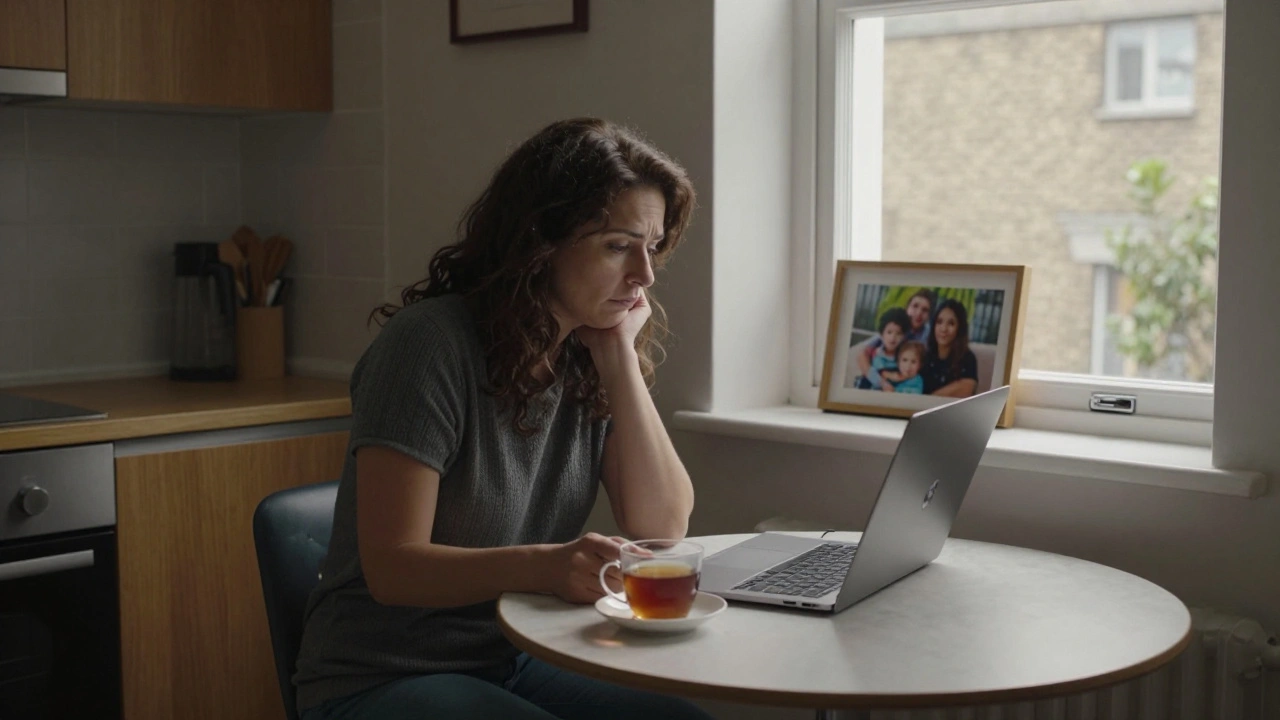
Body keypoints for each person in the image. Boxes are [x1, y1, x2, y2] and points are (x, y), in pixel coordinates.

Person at [292, 118, 713, 720]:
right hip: (377, 676)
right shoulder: (429, 346)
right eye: (619, 246)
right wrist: (542, 566)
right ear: (541, 241)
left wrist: (618, 354)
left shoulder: (587, 355)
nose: (644, 275)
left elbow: (663, 526)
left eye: (652, 247)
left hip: (512, 656)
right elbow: (392, 568)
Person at [854, 289, 934, 386]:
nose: (918, 313)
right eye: (915, 306)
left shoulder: (929, 334)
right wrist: (879, 381)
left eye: (925, 310)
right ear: (907, 308)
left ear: (929, 316)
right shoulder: (896, 325)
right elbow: (862, 354)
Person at [922, 299, 979, 397]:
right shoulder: (925, 355)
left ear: (959, 328)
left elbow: (967, 389)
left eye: (951, 323)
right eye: (939, 322)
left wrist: (928, 400)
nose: (943, 329)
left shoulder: (968, 358)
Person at [852, 307, 910, 390]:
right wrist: (883, 383)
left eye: (898, 333)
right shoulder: (875, 353)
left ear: (904, 336)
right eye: (889, 332)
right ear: (882, 334)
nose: (893, 338)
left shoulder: (903, 358)